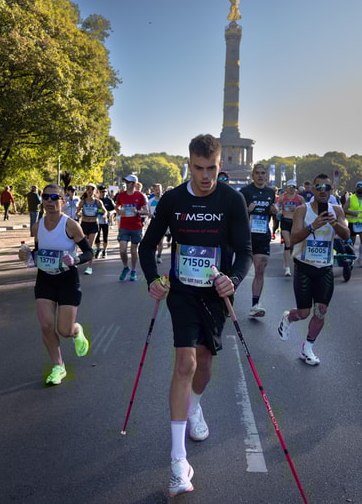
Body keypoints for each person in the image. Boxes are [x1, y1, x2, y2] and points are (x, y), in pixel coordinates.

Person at [138, 133, 252, 498]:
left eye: (211, 169)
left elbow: (245, 251)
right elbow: (147, 246)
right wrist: (153, 280)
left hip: (215, 294)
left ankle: (196, 406)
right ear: (188, 165)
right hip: (182, 292)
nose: (205, 176)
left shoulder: (231, 200)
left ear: (220, 165)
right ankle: (178, 461)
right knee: (185, 363)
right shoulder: (173, 200)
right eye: (198, 168)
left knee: (204, 362)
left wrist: (233, 280)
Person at [18, 184, 92, 384]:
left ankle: (76, 330)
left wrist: (76, 260)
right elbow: (38, 253)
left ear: (63, 201)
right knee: (46, 326)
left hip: (67, 279)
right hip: (45, 279)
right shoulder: (37, 226)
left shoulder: (70, 225)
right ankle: (58, 366)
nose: (49, 201)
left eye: (54, 198)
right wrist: (26, 255)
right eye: (45, 197)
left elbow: (88, 252)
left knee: (64, 331)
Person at [277, 174, 349, 365]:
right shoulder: (302, 210)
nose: (323, 191)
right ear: (313, 190)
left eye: (327, 187)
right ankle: (289, 317)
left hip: (325, 267)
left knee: (321, 310)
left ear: (331, 191)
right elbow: (293, 238)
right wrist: (313, 226)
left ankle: (307, 347)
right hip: (304, 266)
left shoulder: (336, 210)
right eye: (319, 187)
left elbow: (346, 235)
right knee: (304, 313)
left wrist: (334, 223)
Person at [240, 163, 278, 317]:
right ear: (253, 175)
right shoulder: (245, 192)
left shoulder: (271, 192)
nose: (260, 176)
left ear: (266, 176)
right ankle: (227, 299)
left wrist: (275, 212)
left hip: (262, 236)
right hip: (246, 237)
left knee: (260, 270)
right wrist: (247, 210)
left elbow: (274, 214)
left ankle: (255, 305)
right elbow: (236, 214)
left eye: (263, 173)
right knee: (239, 271)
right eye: (257, 173)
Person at [115, 174, 148, 281]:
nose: (126, 184)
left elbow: (146, 211)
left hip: (136, 227)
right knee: (122, 250)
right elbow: (117, 206)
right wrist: (119, 211)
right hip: (124, 226)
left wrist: (137, 211)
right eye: (126, 182)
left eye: (128, 182)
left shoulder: (140, 196)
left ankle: (133, 270)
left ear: (134, 184)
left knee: (133, 250)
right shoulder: (121, 195)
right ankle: (125, 267)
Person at [75, 183, 106, 275]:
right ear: (86, 191)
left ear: (95, 191)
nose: (90, 190)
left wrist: (103, 215)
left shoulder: (98, 202)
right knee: (81, 244)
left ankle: (89, 267)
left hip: (93, 224)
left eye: (92, 189)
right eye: (88, 189)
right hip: (84, 224)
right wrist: (79, 214)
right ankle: (77, 261)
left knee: (90, 246)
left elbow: (104, 211)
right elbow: (77, 212)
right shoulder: (82, 202)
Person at [277, 180, 306, 276]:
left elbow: (305, 208)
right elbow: (277, 206)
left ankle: (291, 262)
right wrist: (279, 211)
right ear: (286, 188)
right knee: (288, 243)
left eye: (293, 187)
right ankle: (287, 267)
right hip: (285, 221)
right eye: (289, 187)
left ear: (295, 188)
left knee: (293, 245)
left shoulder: (300, 198)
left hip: (295, 222)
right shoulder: (282, 198)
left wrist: (297, 209)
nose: (291, 189)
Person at [344, 181, 362, 267]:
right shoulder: (351, 198)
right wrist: (351, 213)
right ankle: (352, 257)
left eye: (361, 186)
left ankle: (361, 258)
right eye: (358, 186)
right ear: (355, 188)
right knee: (352, 242)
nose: (360, 188)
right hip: (353, 223)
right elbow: (344, 209)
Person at [147, 183, 166, 263]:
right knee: (153, 241)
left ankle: (159, 256)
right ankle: (153, 255)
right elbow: (148, 212)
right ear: (153, 191)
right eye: (156, 190)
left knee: (160, 241)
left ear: (162, 190)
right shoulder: (150, 201)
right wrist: (149, 214)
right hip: (153, 224)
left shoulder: (165, 200)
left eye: (159, 189)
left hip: (163, 224)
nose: (158, 191)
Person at [95, 185, 114, 258]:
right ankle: (98, 249)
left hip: (105, 221)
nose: (104, 193)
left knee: (105, 237)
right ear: (98, 192)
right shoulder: (96, 200)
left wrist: (111, 212)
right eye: (102, 192)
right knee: (97, 236)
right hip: (97, 221)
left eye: (105, 192)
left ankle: (104, 250)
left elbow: (115, 209)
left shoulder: (109, 200)